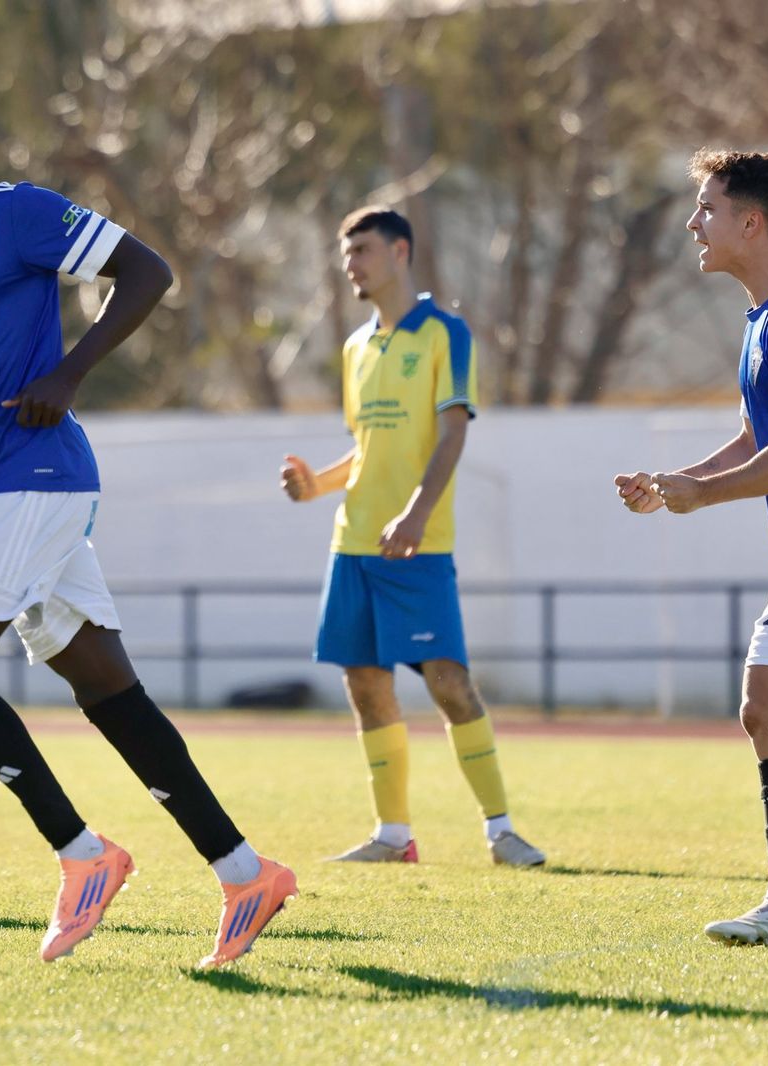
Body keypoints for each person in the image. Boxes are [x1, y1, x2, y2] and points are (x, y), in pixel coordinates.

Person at [0, 80, 296, 968]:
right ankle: (246, 874)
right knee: (110, 696)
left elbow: (148, 272)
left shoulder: (15, 215)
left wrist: (72, 372)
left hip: (38, 479)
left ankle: (84, 857)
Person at [281, 206, 545, 869]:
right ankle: (393, 836)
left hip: (417, 546)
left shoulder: (446, 334)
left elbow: (453, 431)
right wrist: (316, 487)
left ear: (400, 253)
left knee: (451, 684)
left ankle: (501, 829)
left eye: (362, 250)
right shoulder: (355, 347)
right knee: (366, 687)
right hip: (353, 548)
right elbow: (365, 448)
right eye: (346, 253)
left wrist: (418, 514)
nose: (351, 264)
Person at [617, 149, 768, 947]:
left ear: (752, 221)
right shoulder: (766, 317)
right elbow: (758, 437)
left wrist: (702, 495)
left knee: (764, 704)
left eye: (706, 207)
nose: (693, 223)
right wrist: (679, 479)